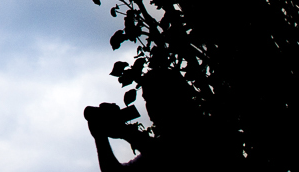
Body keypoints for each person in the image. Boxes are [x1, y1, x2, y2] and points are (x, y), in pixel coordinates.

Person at [85, 69, 240, 171]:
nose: (150, 107)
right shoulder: (160, 146)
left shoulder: (213, 130)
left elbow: (171, 155)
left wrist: (124, 131)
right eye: (147, 100)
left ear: (177, 96)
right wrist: (100, 137)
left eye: (155, 98)